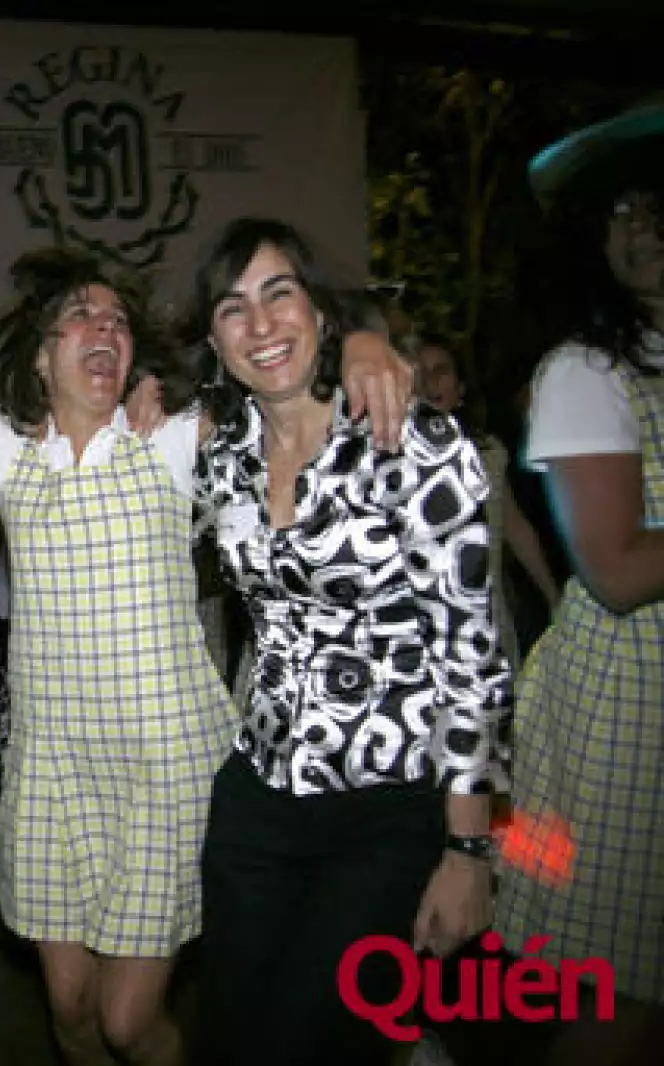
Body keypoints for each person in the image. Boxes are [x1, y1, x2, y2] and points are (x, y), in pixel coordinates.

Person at [0, 247, 235, 1065]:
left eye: (117, 321)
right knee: (72, 1010)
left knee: (128, 1023)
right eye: (81, 318)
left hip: (163, 766)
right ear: (43, 359)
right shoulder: (11, 455)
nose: (104, 328)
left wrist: (362, 343)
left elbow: (281, 385)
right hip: (54, 766)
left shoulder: (170, 444)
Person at [189, 218, 511, 1065]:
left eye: (279, 294)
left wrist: (467, 848)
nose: (260, 327)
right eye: (232, 308)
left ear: (320, 312)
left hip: (388, 808)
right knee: (228, 1039)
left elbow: (471, 659)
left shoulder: (416, 448)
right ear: (214, 341)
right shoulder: (223, 457)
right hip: (254, 799)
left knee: (310, 1044)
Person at [495, 100, 664, 1065]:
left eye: (655, 204)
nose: (636, 229)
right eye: (618, 213)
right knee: (615, 990)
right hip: (619, 715)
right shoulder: (584, 372)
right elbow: (615, 567)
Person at [413, 336, 562, 666]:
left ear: (461, 387)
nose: (429, 382)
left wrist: (553, 596)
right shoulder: (392, 461)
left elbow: (515, 527)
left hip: (489, 617)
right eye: (419, 373)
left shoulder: (488, 453)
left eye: (441, 371)